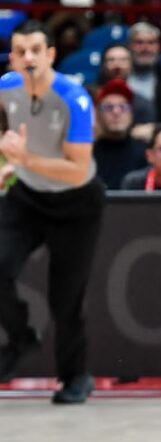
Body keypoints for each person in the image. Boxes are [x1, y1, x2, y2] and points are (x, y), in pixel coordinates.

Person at [0, 21, 105, 403]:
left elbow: (78, 169)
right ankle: (21, 337)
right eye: (20, 51)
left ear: (50, 55)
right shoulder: (5, 87)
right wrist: (6, 165)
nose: (28, 58)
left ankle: (76, 377)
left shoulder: (74, 98)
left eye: (35, 50)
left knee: (66, 299)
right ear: (12, 58)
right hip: (27, 195)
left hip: (76, 203)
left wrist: (25, 158)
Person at [91, 79, 146, 189]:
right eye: (108, 108)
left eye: (123, 107)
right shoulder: (88, 154)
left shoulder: (144, 154)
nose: (116, 112)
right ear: (98, 114)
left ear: (131, 114)